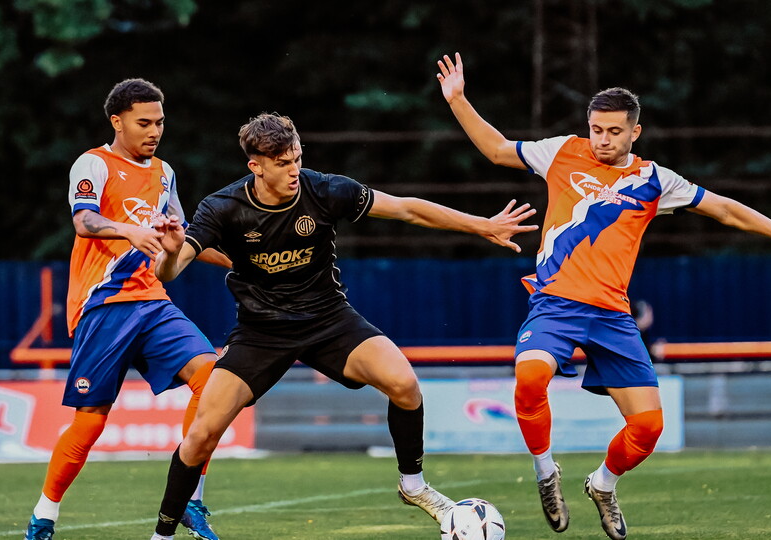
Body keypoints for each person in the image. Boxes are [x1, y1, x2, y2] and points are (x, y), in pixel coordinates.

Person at [436, 52, 771, 540]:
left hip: (612, 316)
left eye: (613, 132)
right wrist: (458, 101)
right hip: (556, 304)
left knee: (647, 428)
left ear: (634, 133)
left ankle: (603, 486)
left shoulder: (654, 181)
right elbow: (498, 149)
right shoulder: (562, 151)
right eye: (596, 129)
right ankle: (546, 474)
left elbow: (725, 210)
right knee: (530, 375)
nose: (602, 140)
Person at [148, 112, 538, 540]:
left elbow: (407, 209)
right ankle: (163, 533)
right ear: (255, 166)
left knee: (404, 384)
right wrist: (168, 252)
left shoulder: (326, 189)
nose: (294, 169)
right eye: (281, 162)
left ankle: (413, 485)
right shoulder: (222, 208)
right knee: (201, 435)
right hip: (262, 332)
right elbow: (170, 271)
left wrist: (481, 225)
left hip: (328, 318)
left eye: (296, 157)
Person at [23, 78, 228, 540]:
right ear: (117, 121)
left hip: (152, 300)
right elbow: (84, 220)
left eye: (159, 122)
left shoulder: (165, 173)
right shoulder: (92, 164)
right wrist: (129, 231)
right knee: (91, 422)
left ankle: (192, 500)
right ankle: (44, 516)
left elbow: (186, 236)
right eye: (143, 122)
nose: (154, 131)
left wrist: (243, 263)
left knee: (211, 379)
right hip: (104, 303)